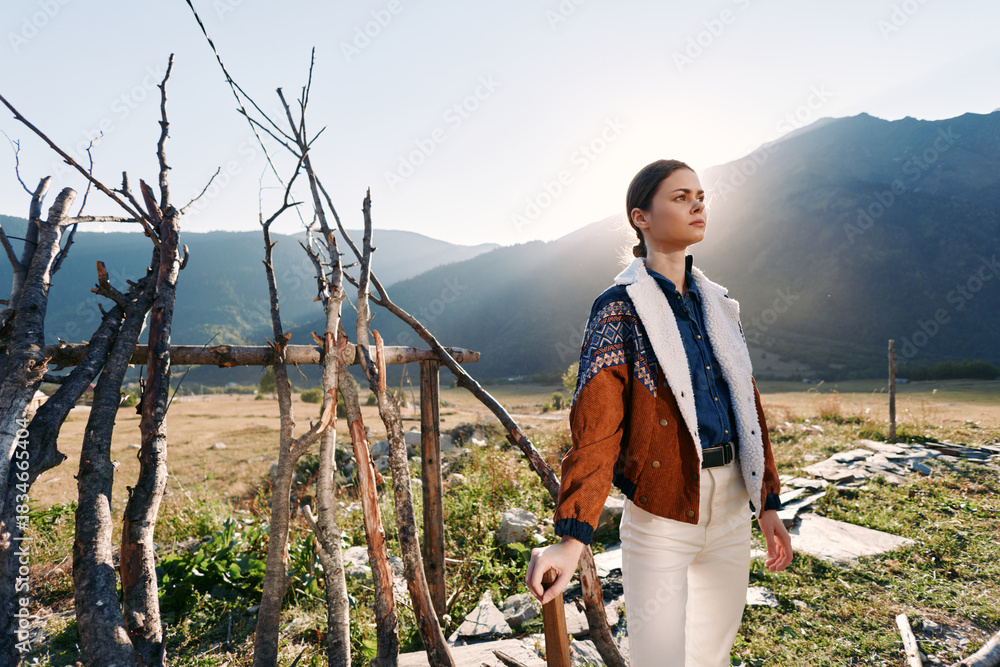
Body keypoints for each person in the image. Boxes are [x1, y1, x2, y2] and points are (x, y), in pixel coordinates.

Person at [525, 159, 793, 667]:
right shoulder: (618, 309)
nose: (697, 204)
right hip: (661, 511)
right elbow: (597, 430)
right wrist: (572, 538)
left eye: (701, 196)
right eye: (680, 196)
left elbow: (746, 406)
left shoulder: (721, 304)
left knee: (712, 657)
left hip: (732, 504)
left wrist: (767, 503)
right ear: (640, 217)